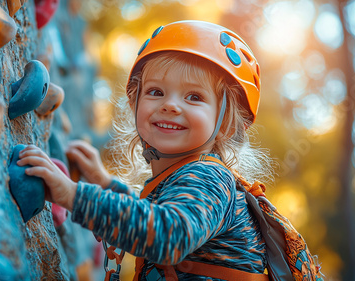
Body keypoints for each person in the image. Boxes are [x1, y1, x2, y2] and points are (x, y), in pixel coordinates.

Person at [17, 20, 275, 280]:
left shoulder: (210, 178)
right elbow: (151, 215)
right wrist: (105, 184)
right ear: (135, 102)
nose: (170, 105)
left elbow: (168, 234)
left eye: (194, 97)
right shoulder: (183, 179)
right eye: (156, 91)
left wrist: (72, 195)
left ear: (226, 123)